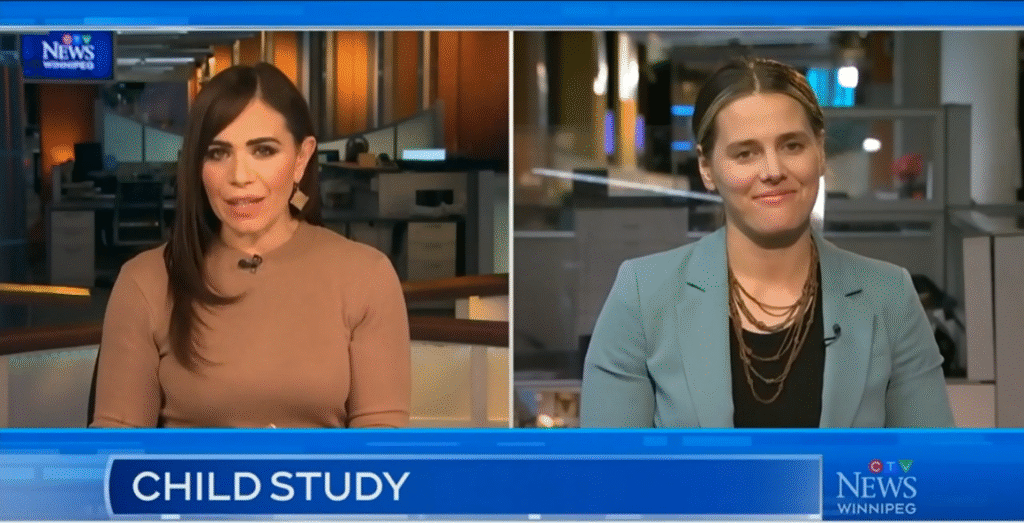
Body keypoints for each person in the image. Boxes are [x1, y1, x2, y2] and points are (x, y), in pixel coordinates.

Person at [580, 57, 954, 428]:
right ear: (707, 168)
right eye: (745, 153)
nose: (773, 171)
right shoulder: (643, 297)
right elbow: (610, 465)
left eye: (792, 146)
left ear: (820, 151)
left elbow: (929, 461)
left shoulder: (890, 297)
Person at [90, 63, 411, 428]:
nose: (239, 176)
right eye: (217, 153)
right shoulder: (144, 281)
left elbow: (380, 446)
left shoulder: (366, 276)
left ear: (301, 158)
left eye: (263, 151)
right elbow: (117, 445)